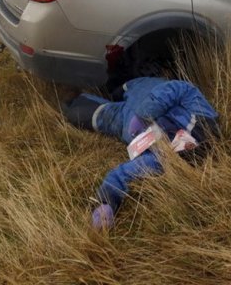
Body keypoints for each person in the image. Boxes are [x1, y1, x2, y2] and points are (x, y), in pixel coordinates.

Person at [62, 77, 220, 230]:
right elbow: (180, 88)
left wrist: (106, 202)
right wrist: (144, 114)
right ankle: (105, 87)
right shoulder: (204, 118)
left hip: (123, 122)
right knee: (116, 85)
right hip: (144, 91)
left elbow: (125, 174)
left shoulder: (167, 159)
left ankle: (71, 100)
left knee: (81, 114)